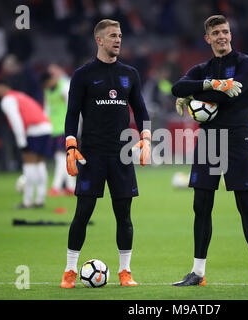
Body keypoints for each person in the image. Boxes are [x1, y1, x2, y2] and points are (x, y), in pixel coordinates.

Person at [171, 15, 248, 287]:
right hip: (209, 142)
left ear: (230, 35)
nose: (222, 36)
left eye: (225, 31)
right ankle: (197, 273)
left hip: (237, 141)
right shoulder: (203, 68)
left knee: (246, 206)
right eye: (216, 33)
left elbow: (233, 94)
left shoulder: (247, 65)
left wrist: (196, 94)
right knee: (201, 207)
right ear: (207, 38)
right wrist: (211, 84)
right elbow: (177, 87)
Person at [60, 19, 151, 288]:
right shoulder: (83, 74)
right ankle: (69, 271)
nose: (118, 40)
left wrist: (146, 138)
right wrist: (70, 145)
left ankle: (125, 272)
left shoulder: (130, 73)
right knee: (83, 213)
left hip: (122, 155)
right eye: (113, 35)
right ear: (99, 40)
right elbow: (72, 113)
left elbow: (142, 111)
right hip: (91, 155)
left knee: (124, 215)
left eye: (120, 35)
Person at [0, 79, 52, 208]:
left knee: (29, 165)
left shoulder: (7, 100)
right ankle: (40, 200)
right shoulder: (19, 95)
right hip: (46, 127)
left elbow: (16, 120)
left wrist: (21, 142)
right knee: (40, 164)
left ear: (1, 87)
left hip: (34, 130)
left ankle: (27, 201)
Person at [41, 68, 75, 196]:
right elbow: (47, 109)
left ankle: (56, 187)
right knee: (63, 158)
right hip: (53, 128)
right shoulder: (47, 91)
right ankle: (71, 187)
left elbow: (72, 107)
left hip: (65, 127)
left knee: (61, 157)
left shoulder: (64, 87)